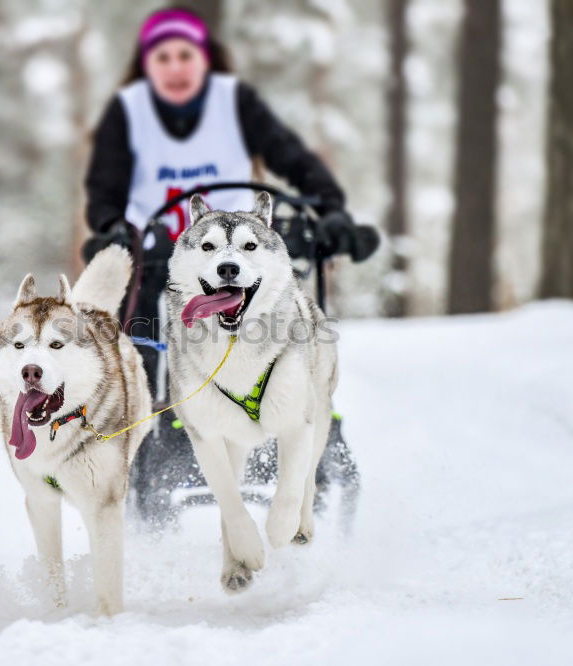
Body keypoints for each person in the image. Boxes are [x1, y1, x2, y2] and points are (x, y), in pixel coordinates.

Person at [83, 6, 370, 524]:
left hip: (241, 252)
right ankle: (142, 459)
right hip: (156, 258)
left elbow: (294, 159)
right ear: (147, 65)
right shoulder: (128, 112)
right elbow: (105, 186)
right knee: (145, 348)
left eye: (185, 55)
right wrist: (108, 227)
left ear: (204, 59)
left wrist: (329, 210)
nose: (175, 66)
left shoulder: (233, 104)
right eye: (162, 57)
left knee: (290, 329)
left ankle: (301, 431)